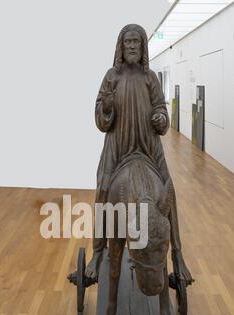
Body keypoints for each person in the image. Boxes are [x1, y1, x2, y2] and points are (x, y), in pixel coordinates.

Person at [85, 24, 192, 284]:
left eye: (136, 42)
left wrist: (160, 118)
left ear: (143, 46)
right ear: (120, 47)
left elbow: (160, 108)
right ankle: (98, 251)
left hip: (147, 143)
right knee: (102, 188)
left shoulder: (150, 77)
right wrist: (106, 107)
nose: (132, 46)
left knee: (169, 190)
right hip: (118, 143)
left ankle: (177, 255)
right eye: (127, 42)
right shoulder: (111, 76)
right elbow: (100, 118)